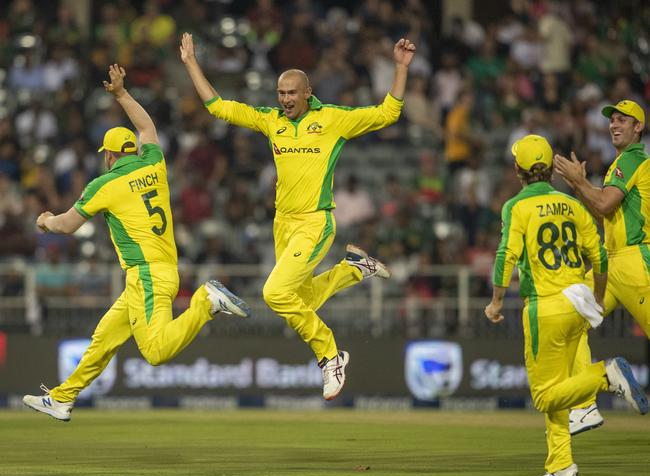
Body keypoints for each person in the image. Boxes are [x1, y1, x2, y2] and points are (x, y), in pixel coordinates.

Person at [180, 32, 416, 400]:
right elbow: (219, 107)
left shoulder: (333, 119)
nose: (286, 99)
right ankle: (355, 268)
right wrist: (192, 63)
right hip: (283, 225)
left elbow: (389, 112)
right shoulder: (271, 121)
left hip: (315, 221)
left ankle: (330, 356)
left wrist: (400, 68)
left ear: (308, 92)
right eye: (281, 93)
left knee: (274, 293)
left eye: (292, 93)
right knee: (301, 301)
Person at [22, 65, 251, 422]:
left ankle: (206, 301)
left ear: (109, 155)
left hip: (145, 275)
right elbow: (148, 128)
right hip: (160, 271)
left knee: (156, 352)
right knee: (103, 338)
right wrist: (122, 94)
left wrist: (45, 220)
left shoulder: (104, 184)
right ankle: (62, 398)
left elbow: (67, 226)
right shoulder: (153, 162)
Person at [485, 134, 647, 476]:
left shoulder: (516, 207)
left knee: (544, 395)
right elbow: (600, 255)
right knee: (560, 387)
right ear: (550, 172)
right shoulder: (571, 204)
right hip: (579, 301)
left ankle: (606, 375)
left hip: (544, 306)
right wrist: (599, 298)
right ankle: (562, 468)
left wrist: (497, 301)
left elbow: (505, 256)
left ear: (518, 170)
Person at [554, 100, 649, 435]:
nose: (614, 124)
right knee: (569, 322)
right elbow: (605, 212)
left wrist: (579, 182)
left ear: (639, 127)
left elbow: (604, 203)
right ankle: (585, 406)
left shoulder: (633, 159)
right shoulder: (620, 164)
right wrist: (580, 186)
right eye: (612, 120)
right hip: (614, 263)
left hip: (636, 262)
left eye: (624, 120)